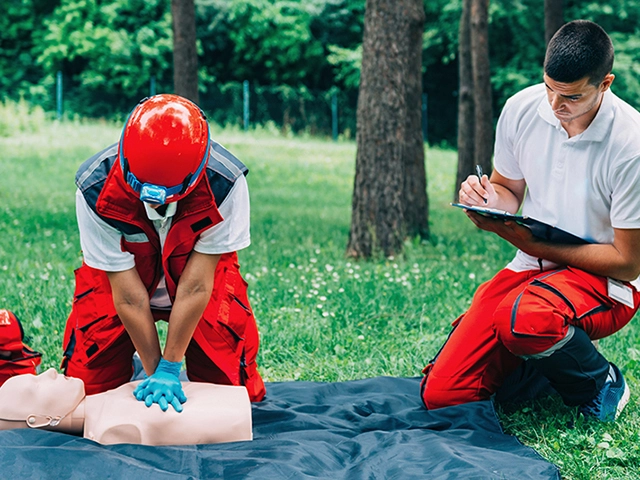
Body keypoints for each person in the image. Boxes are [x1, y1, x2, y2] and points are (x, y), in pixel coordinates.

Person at [421, 20, 640, 422]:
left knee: (524, 318)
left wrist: (536, 246)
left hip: (608, 283)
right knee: (445, 394)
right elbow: (508, 189)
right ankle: (541, 360)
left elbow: (628, 263)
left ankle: (601, 381)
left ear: (605, 83)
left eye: (571, 96)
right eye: (549, 88)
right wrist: (488, 199)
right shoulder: (522, 108)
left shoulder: (631, 144)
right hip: (533, 270)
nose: (556, 106)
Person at [61, 94, 266, 413]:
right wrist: (157, 370)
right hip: (120, 287)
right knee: (86, 399)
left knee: (233, 401)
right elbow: (128, 297)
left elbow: (197, 286)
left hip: (201, 284)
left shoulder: (225, 183)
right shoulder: (94, 188)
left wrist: (171, 367)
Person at [0, 368, 253, 445]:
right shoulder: (113, 428)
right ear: (38, 420)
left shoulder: (106, 406)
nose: (51, 371)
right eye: (36, 385)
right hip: (238, 420)